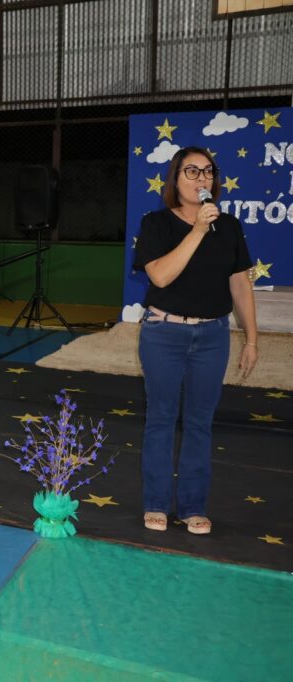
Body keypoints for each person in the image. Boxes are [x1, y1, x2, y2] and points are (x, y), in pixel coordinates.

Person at [133, 146, 257, 536]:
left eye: (208, 172)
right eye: (192, 171)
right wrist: (199, 230)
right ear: (175, 179)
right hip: (164, 334)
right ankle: (155, 503)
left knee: (201, 424)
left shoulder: (230, 227)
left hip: (212, 336)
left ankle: (191, 507)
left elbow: (239, 283)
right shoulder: (156, 224)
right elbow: (161, 277)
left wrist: (251, 339)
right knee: (161, 419)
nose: (203, 178)